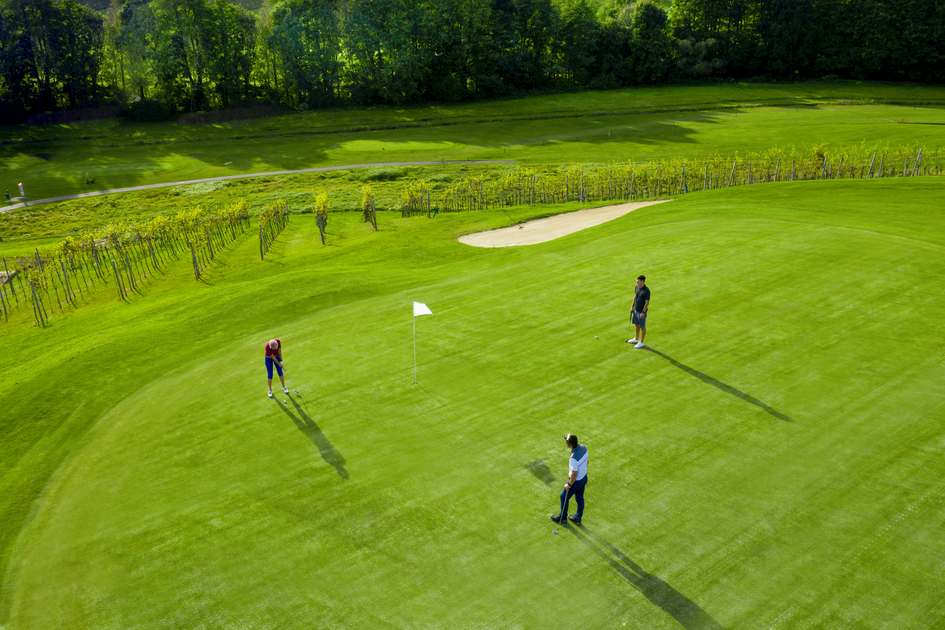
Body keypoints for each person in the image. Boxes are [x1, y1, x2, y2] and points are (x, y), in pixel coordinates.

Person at [551, 433, 589, 525]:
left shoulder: (573, 458)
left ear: (570, 445)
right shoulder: (584, 448)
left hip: (577, 481)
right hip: (584, 478)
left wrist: (569, 485)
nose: (565, 442)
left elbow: (574, 474)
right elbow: (587, 462)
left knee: (563, 496)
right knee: (580, 498)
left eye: (566, 441)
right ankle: (578, 518)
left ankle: (563, 518)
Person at [628, 275, 650, 348]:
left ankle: (641, 342)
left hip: (641, 312)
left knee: (642, 327)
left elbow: (647, 302)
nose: (637, 282)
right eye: (636, 281)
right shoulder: (637, 287)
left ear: (642, 282)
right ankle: (636, 339)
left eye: (638, 281)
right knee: (636, 324)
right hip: (635, 310)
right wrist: (632, 307)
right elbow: (635, 297)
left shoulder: (646, 291)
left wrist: (643, 312)